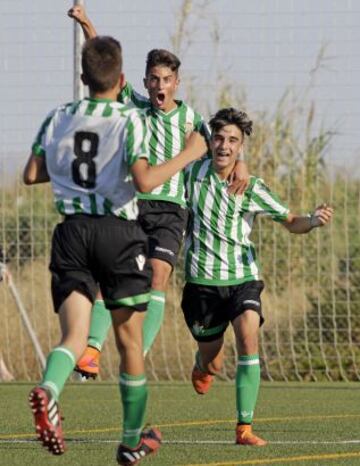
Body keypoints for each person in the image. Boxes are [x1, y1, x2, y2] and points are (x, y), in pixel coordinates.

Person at [24, 36, 207, 463]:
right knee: (128, 343)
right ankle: (129, 441)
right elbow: (143, 181)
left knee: (73, 335)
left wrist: (74, 173)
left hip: (70, 235)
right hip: (116, 233)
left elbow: (32, 173)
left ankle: (48, 389)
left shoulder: (58, 116)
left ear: (83, 78)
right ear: (123, 79)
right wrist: (189, 153)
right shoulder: (130, 118)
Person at [68, 5, 250, 379]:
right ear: (146, 81)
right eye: (153, 79)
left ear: (176, 82)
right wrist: (87, 23)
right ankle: (91, 350)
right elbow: (105, 67)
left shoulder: (192, 119)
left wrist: (242, 165)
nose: (159, 86)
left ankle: (140, 351)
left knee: (158, 274)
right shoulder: (134, 105)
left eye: (166, 79)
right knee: (113, 275)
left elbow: (225, 140)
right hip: (132, 202)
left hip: (171, 210)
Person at [182, 107, 334, 446]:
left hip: (242, 278)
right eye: (219, 138)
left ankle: (244, 428)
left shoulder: (251, 187)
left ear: (241, 147)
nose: (224, 146)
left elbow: (290, 219)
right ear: (210, 141)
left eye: (233, 141)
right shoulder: (191, 176)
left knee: (249, 337)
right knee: (213, 361)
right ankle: (202, 363)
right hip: (202, 284)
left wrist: (312, 220)